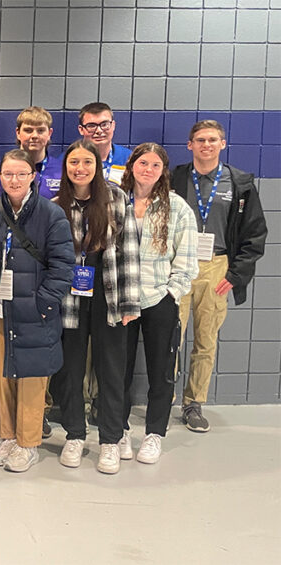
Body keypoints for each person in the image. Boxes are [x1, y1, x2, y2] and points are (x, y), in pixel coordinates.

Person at [50, 139, 140, 475]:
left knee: (111, 370)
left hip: (109, 293)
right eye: (74, 162)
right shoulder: (56, 204)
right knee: (70, 370)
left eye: (87, 162)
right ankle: (75, 434)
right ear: (66, 167)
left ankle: (110, 440)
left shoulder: (116, 198)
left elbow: (129, 252)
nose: (80, 169)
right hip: (69, 297)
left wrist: (130, 302)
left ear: (97, 166)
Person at [172, 120, 267, 432]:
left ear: (223, 144)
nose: (206, 145)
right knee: (170, 337)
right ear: (190, 145)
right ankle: (163, 399)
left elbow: (255, 233)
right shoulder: (175, 178)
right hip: (179, 265)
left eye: (213, 140)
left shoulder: (238, 183)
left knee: (205, 340)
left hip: (217, 267)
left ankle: (193, 403)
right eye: (200, 140)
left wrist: (237, 274)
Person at [0, 150, 74, 473]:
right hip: (0, 309)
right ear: (0, 177)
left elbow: (63, 266)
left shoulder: (51, 214)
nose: (14, 180)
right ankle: (7, 436)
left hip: (35, 311)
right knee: (3, 376)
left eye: (21, 174)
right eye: (8, 174)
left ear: (32, 177)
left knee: (32, 378)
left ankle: (28, 443)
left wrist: (43, 302)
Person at [119, 143, 198, 464]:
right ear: (132, 166)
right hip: (122, 299)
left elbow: (187, 260)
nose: (148, 170)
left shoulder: (177, 208)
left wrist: (171, 293)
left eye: (155, 165)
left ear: (163, 171)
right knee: (118, 370)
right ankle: (120, 430)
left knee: (161, 371)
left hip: (159, 300)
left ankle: (154, 433)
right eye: (143, 163)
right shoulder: (117, 200)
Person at [0, 106, 61, 200]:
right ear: (18, 133)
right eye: (28, 130)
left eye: (40, 130)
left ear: (49, 133)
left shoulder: (62, 171)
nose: (34, 135)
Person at [77, 102, 129, 186]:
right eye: (91, 126)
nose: (99, 131)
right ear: (81, 130)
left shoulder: (129, 159)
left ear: (113, 126)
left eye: (104, 124)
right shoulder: (69, 160)